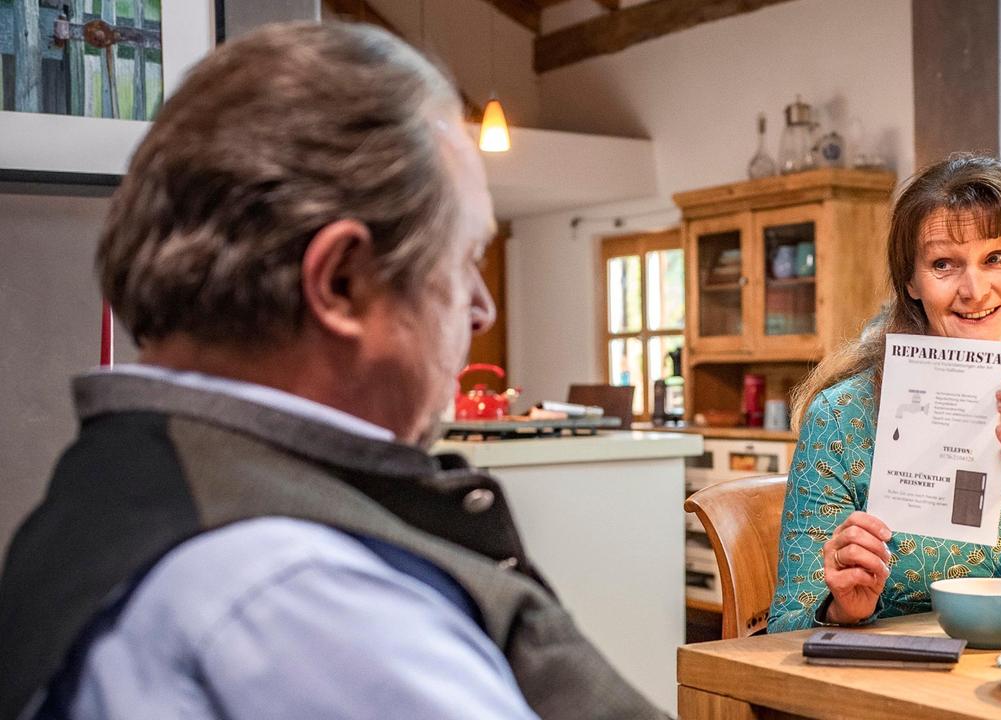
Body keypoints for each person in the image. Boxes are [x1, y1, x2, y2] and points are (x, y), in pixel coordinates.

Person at [0, 22, 664, 720]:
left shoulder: (112, 484)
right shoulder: (298, 590)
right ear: (342, 282)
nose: (483, 307)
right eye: (465, 259)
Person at [768, 155, 1001, 631]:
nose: (974, 289)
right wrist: (842, 608)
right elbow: (787, 625)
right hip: (885, 682)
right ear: (911, 282)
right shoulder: (843, 415)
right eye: (944, 263)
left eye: (997, 258)